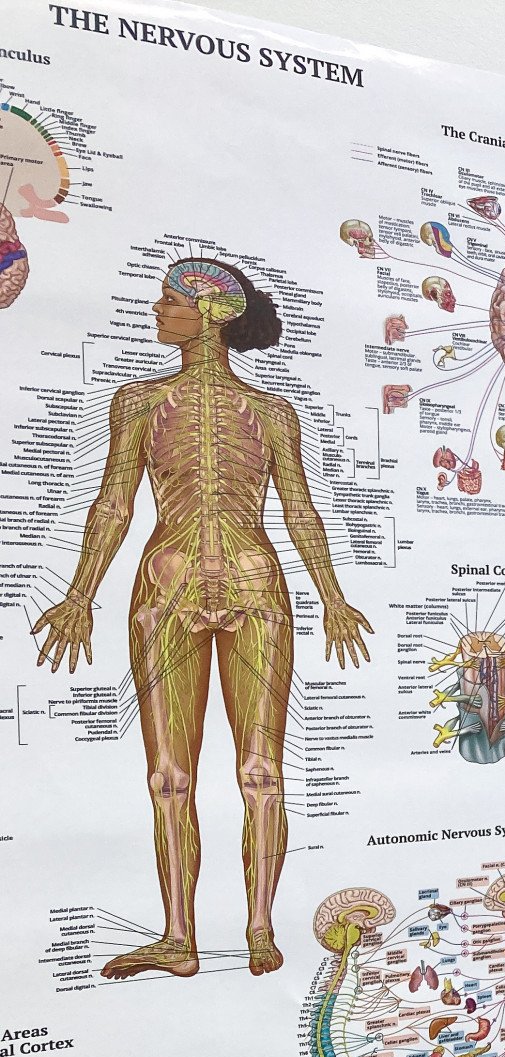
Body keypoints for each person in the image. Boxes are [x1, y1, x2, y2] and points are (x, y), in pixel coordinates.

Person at [31, 258, 374, 979]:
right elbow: (115, 503)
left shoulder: (272, 413)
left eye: (170, 302)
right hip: (176, 587)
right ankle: (180, 939)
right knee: (173, 777)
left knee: (259, 774)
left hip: (241, 586)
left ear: (213, 312)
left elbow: (299, 508)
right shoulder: (138, 401)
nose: (158, 312)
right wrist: (79, 593)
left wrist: (334, 597)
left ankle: (258, 930)